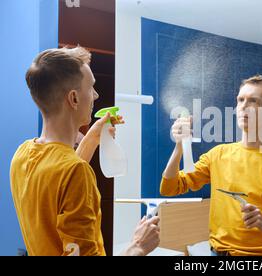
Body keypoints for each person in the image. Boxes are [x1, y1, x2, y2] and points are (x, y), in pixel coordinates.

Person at [10, 47, 160, 256]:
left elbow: (60, 185)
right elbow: (69, 174)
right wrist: (137, 246)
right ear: (74, 99)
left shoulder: (22, 154)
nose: (96, 95)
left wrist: (91, 139)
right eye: (91, 88)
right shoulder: (75, 171)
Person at [160, 75, 262, 256]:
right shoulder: (217, 155)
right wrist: (179, 146)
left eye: (253, 101)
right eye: (240, 100)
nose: (243, 106)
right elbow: (169, 188)